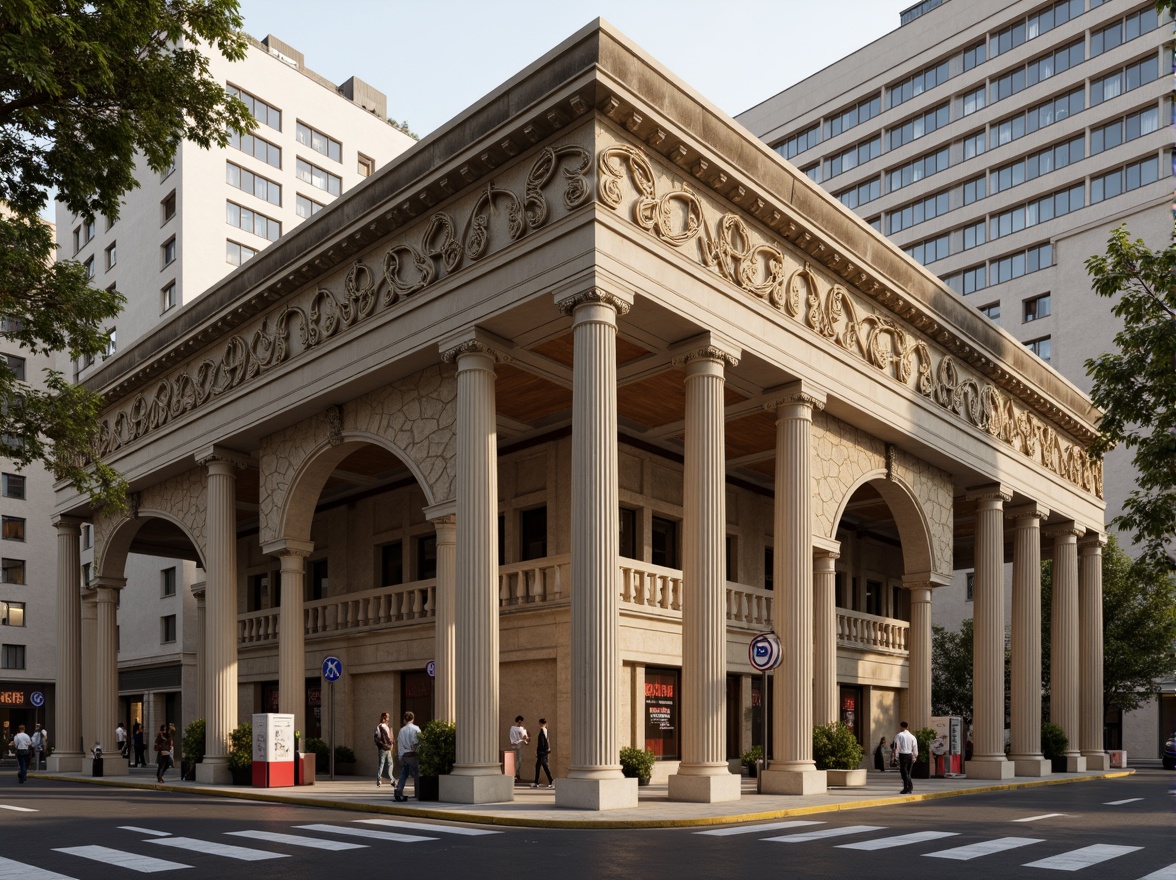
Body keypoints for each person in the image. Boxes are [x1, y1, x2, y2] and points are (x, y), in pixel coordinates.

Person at [393, 711, 420, 802]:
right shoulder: (416, 729)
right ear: (413, 719)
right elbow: (418, 742)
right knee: (417, 773)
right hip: (414, 754)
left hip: (405, 755)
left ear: (404, 719)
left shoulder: (402, 730)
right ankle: (418, 792)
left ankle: (399, 789)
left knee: (404, 773)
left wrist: (400, 756)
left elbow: (400, 744)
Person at [894, 721, 918, 794]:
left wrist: (896, 756)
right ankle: (909, 787)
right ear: (907, 727)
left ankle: (906, 787)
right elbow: (915, 748)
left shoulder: (898, 735)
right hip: (910, 755)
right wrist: (915, 756)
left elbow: (896, 747)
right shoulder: (912, 737)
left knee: (903, 772)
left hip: (903, 755)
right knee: (908, 772)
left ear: (901, 727)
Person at [531, 718, 553, 788]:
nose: (539, 724)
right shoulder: (545, 730)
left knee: (542, 767)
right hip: (544, 752)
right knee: (540, 767)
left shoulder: (542, 731)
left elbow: (542, 743)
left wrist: (539, 752)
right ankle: (537, 782)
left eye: (539, 723)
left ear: (541, 723)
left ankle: (550, 782)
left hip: (542, 753)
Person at [375, 711, 394, 787]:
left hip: (387, 748)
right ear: (385, 718)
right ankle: (384, 779)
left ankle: (387, 779)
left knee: (386, 764)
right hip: (384, 748)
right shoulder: (380, 726)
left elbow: (390, 737)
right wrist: (384, 745)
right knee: (386, 764)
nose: (388, 718)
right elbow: (377, 738)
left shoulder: (386, 726)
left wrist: (391, 744)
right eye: (387, 717)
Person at [509, 715, 529, 782]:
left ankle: (517, 774)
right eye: (519, 722)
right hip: (515, 746)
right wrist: (521, 739)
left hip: (520, 746)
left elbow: (525, 738)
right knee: (516, 761)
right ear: (517, 722)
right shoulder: (513, 728)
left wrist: (526, 739)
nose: (520, 724)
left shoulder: (522, 728)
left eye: (521, 722)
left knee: (519, 761)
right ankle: (514, 775)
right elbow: (513, 739)